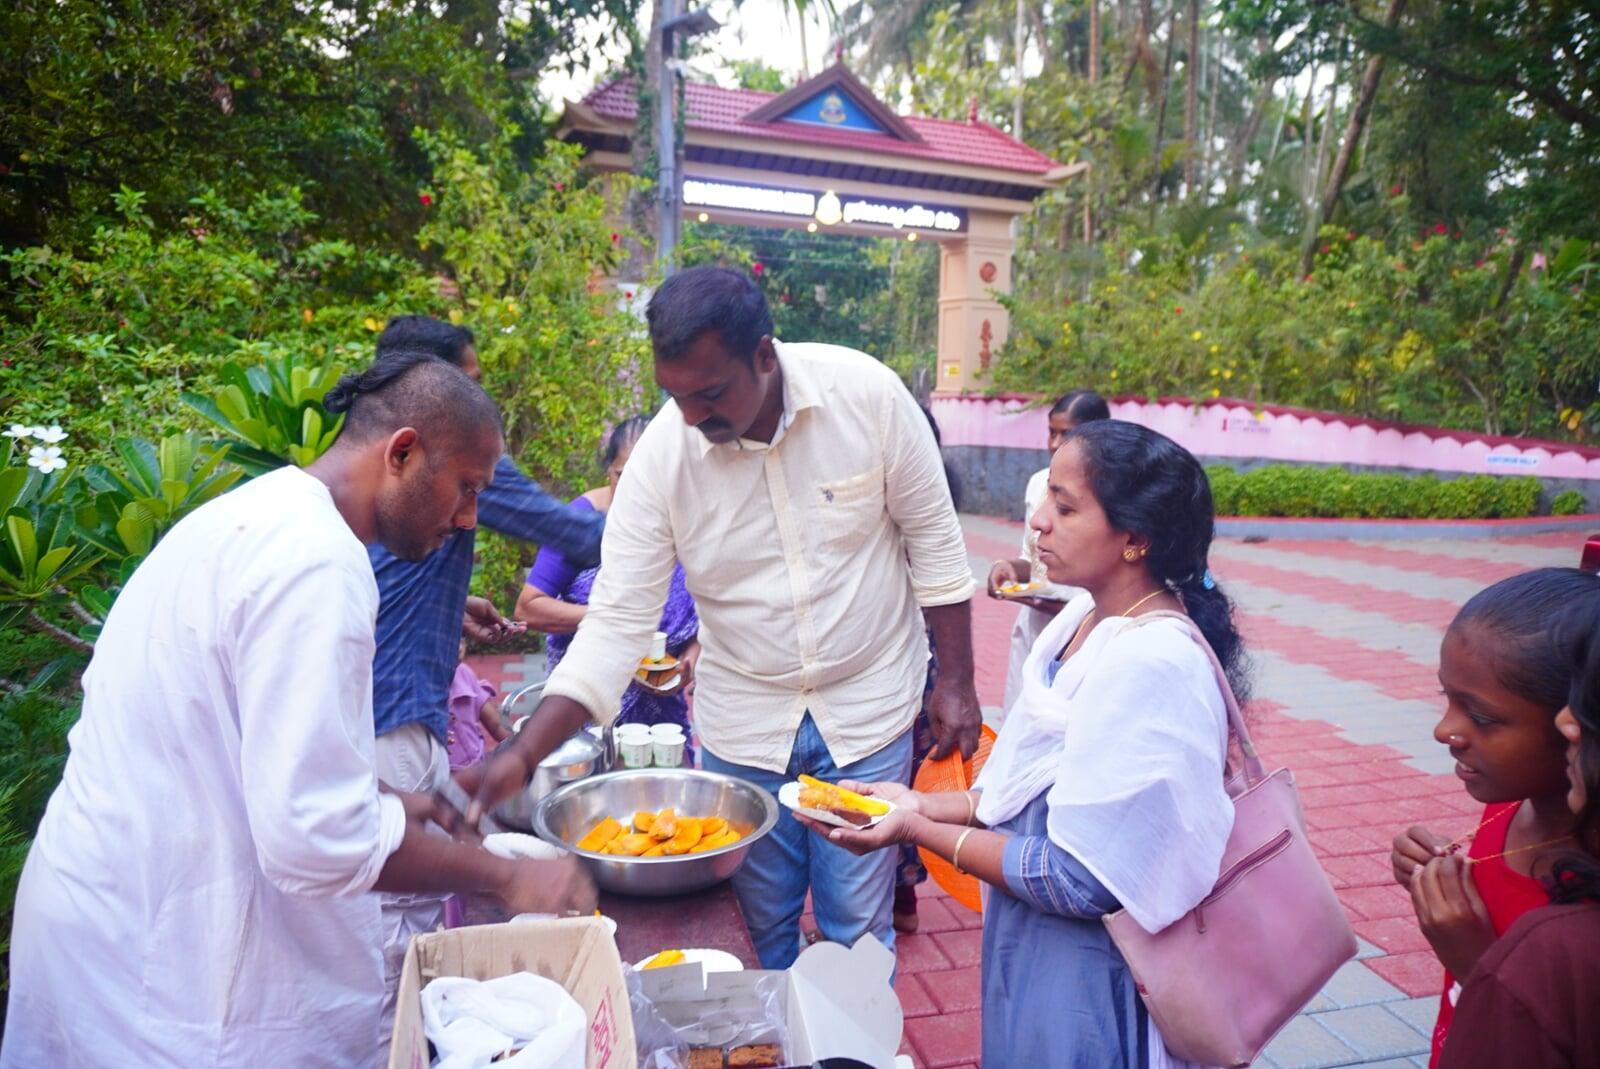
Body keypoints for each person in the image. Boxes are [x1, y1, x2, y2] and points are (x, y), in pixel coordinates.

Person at [1, 354, 596, 1069]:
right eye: (466, 487)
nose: (469, 517)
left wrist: (386, 798)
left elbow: (232, 742)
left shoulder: (254, 515)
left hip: (103, 927)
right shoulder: (317, 566)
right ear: (402, 452)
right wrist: (505, 876)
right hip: (167, 974)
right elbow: (316, 839)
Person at [456, 266, 982, 970]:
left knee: (858, 931)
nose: (691, 417)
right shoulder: (662, 459)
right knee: (758, 929)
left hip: (870, 706)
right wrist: (523, 754)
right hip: (745, 724)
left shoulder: (870, 397)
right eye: (675, 396)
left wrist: (957, 682)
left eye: (709, 393)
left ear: (763, 356)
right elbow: (617, 622)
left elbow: (938, 549)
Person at [795, 419, 1245, 1068]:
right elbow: (1022, 794)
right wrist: (915, 804)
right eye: (1045, 499)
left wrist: (917, 831)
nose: (1037, 521)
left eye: (1065, 506)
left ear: (1135, 538)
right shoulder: (1084, 617)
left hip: (1094, 966)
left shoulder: (1154, 663)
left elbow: (1081, 878)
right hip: (1033, 937)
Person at [364, 315, 605, 1030]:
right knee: (396, 925)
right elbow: (576, 534)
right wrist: (669, 522)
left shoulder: (368, 467)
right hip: (395, 721)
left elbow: (383, 577)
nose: (481, 402)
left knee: (407, 902)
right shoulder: (455, 449)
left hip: (387, 712)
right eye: (468, 384)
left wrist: (449, 600)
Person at [1389, 568, 1599, 1065]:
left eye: (1481, 718)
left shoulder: (1582, 913)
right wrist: (1427, 871)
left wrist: (1476, 963)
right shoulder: (1506, 808)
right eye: (1446, 698)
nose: (1445, 730)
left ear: (1578, 727)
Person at [515, 416, 700, 736]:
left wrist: (690, 659)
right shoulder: (582, 521)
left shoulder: (685, 520)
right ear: (608, 470)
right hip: (586, 704)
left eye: (650, 479)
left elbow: (703, 607)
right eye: (622, 476)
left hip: (661, 711)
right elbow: (528, 607)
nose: (635, 490)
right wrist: (616, 620)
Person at [986, 389, 1110, 716]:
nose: (1055, 444)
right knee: (1021, 719)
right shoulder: (1038, 483)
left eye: (1066, 434)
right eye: (1051, 433)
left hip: (1086, 630)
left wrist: (1071, 606)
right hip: (1035, 628)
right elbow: (1033, 560)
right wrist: (1009, 569)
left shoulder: (1113, 495)